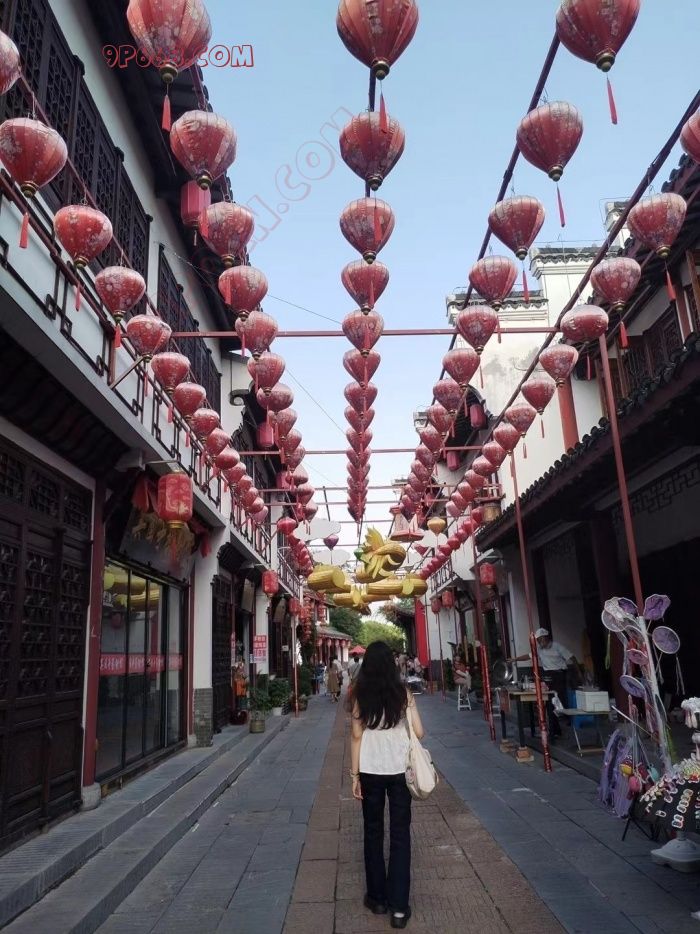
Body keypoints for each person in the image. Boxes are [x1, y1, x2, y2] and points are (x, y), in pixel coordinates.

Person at [348, 640, 424, 929]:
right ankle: (400, 908)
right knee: (400, 834)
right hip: (400, 770)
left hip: (370, 769)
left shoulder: (360, 694)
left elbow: (356, 736)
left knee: (373, 831)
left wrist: (354, 775)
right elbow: (419, 732)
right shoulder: (403, 693)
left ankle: (377, 898)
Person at [508, 628, 578, 738]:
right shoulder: (539, 650)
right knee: (549, 703)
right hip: (548, 676)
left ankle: (565, 722)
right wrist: (515, 659)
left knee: (559, 700)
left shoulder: (557, 646)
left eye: (541, 639)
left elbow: (572, 657)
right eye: (538, 640)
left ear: (546, 638)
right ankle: (555, 730)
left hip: (559, 675)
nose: (540, 642)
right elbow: (528, 656)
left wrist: (579, 673)